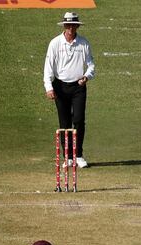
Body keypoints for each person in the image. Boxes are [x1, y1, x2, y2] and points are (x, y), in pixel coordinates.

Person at [43, 11, 95, 169]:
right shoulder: (55, 43)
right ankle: (68, 157)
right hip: (60, 87)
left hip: (78, 87)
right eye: (68, 25)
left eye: (74, 25)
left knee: (78, 120)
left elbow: (91, 64)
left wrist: (86, 76)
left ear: (77, 26)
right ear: (64, 26)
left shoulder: (84, 43)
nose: (71, 28)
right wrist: (49, 87)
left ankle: (78, 155)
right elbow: (48, 67)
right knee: (64, 123)